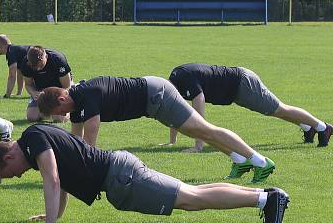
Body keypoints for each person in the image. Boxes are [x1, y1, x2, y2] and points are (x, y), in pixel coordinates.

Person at [0, 124, 290, 223]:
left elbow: (54, 180)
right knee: (191, 192)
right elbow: (61, 184)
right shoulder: (35, 144)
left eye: (8, 174)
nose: (16, 175)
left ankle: (266, 199)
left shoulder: (33, 140)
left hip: (122, 177)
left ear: (7, 158)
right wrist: (51, 215)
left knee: (191, 201)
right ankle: (265, 195)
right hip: (120, 173)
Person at [37, 77, 277, 183]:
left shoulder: (85, 96)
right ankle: (239, 160)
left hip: (157, 96)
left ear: (61, 99)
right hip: (152, 100)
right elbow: (75, 140)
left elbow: (90, 137)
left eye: (60, 112)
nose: (63, 116)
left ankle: (260, 160)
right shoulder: (76, 102)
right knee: (198, 132)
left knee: (206, 130)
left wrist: (84, 169)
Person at [164, 63, 333, 150]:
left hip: (243, 84)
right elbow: (179, 111)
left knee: (279, 109)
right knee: (274, 111)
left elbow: (197, 104)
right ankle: (308, 127)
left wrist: (198, 144)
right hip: (237, 90)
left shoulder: (183, 79)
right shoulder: (175, 79)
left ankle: (322, 127)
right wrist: (172, 141)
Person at [18, 46, 72, 122]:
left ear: (45, 56)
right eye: (34, 66)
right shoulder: (26, 63)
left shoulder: (58, 60)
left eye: (40, 65)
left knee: (59, 119)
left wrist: (56, 98)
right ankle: (48, 110)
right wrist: (34, 93)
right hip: (41, 91)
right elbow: (28, 84)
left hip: (59, 90)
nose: (38, 69)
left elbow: (66, 86)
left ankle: (70, 108)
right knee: (32, 117)